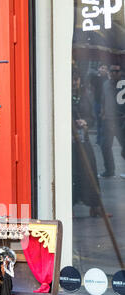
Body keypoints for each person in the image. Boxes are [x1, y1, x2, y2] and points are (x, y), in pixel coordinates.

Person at [72, 69, 103, 217]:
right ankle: (69, 205)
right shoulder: (64, 96)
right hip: (69, 142)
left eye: (76, 80)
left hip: (83, 139)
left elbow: (91, 117)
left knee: (90, 169)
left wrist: (86, 122)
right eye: (72, 80)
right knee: (72, 173)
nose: (74, 83)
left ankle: (95, 205)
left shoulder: (85, 96)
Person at [100, 64, 125, 177]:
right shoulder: (106, 84)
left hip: (121, 119)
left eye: (116, 71)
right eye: (111, 71)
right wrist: (103, 112)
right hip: (108, 119)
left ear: (120, 73)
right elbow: (103, 99)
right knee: (105, 145)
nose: (113, 73)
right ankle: (109, 170)